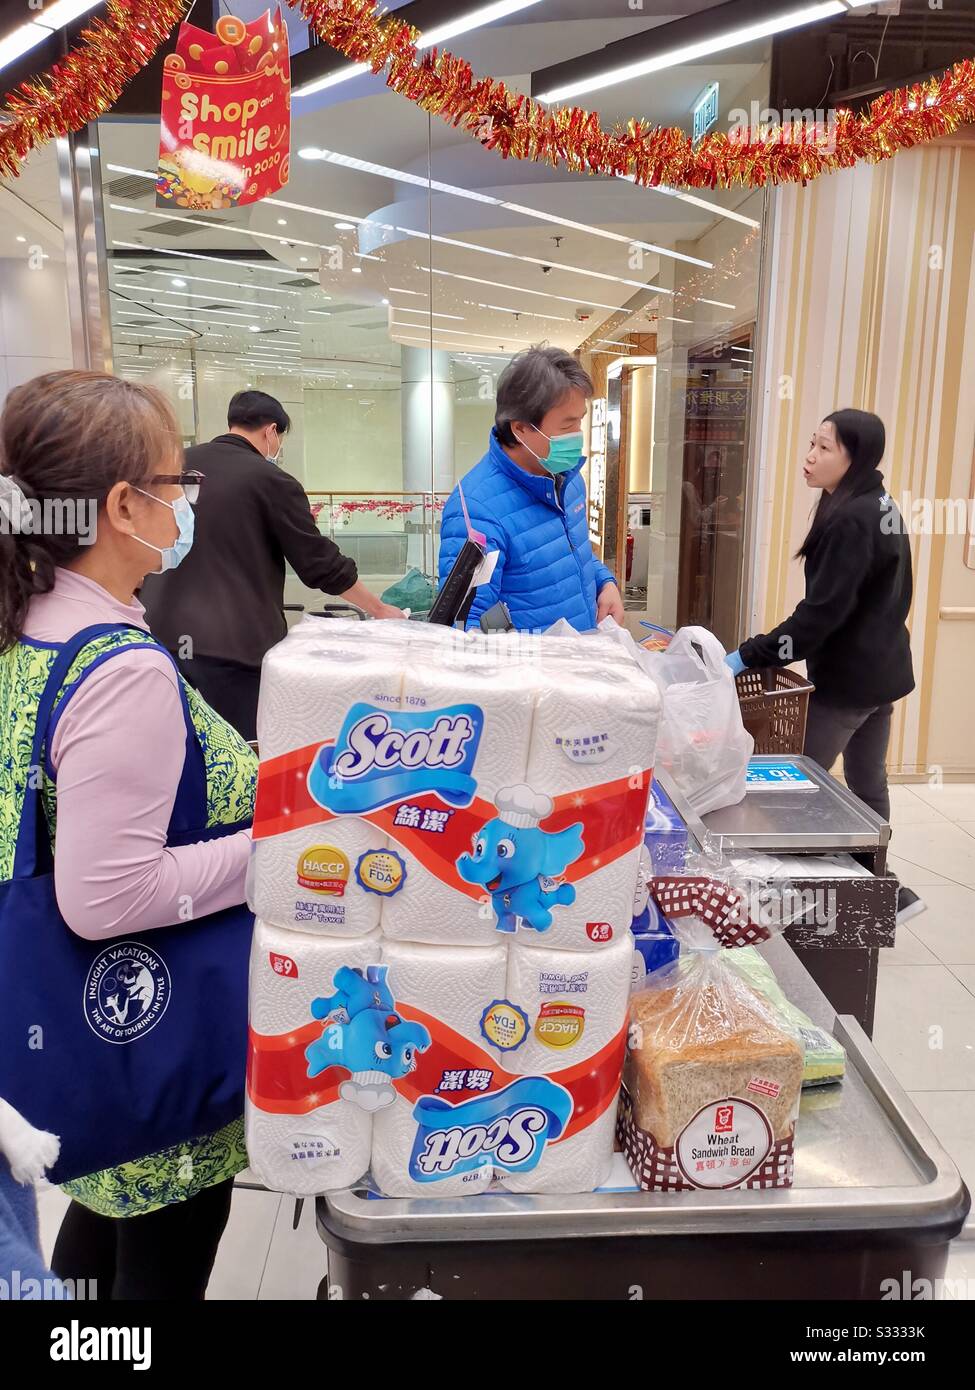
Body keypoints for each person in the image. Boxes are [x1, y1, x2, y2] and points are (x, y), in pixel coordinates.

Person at [0, 370, 255, 1298]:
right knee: (157, 1265)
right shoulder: (118, 668)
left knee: (101, 1241)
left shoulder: (27, 623)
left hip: (64, 1021)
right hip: (150, 1039)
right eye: (176, 479)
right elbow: (106, 893)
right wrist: (276, 855)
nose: (186, 499)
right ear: (121, 504)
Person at [726, 409, 921, 922]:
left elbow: (822, 616)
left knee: (794, 783)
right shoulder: (873, 501)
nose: (810, 457)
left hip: (850, 680)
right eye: (811, 444)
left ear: (854, 457)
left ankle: (796, 903)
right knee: (867, 782)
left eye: (824, 448)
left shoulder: (856, 517)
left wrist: (751, 655)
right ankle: (886, 891)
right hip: (882, 672)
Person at [141, 390, 402, 741]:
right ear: (271, 432)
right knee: (245, 755)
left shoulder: (173, 465)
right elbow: (320, 564)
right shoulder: (270, 479)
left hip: (157, 636)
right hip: (233, 649)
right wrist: (378, 608)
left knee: (180, 751)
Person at [438, 348, 625, 631]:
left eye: (580, 420)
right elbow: (464, 628)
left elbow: (571, 551)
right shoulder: (477, 512)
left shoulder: (568, 479)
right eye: (568, 424)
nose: (578, 434)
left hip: (582, 659)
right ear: (521, 429)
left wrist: (604, 582)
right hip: (532, 671)